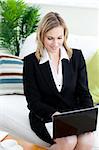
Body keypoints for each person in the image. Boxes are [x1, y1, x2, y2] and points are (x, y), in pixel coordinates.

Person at [23, 12, 94, 150]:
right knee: (68, 141)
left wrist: (88, 117)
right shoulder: (30, 62)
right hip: (46, 116)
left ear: (65, 36)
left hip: (72, 115)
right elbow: (33, 102)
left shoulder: (77, 57)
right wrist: (54, 115)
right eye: (50, 38)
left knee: (88, 140)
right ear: (41, 36)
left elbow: (84, 93)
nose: (55, 44)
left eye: (59, 38)